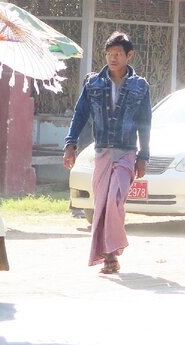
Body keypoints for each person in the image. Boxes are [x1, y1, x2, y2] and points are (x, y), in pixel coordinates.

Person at [63, 32, 151, 275]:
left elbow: (145, 122)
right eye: (110, 54)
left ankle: (112, 251)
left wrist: (144, 156)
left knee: (114, 200)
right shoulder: (93, 83)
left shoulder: (140, 86)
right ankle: (108, 256)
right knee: (101, 204)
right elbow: (80, 114)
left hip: (126, 153)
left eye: (118, 54)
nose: (113, 58)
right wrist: (70, 144)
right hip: (101, 152)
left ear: (128, 55)